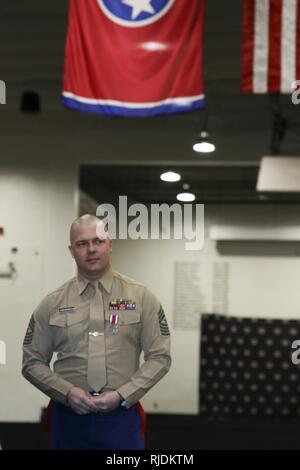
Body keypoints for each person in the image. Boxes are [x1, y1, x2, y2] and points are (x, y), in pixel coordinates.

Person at [22, 214, 171, 450]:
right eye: (82, 244)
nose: (91, 249)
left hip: (121, 416)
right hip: (68, 417)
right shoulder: (51, 304)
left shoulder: (141, 297)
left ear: (110, 245)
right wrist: (67, 392)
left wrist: (122, 394)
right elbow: (31, 362)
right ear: (71, 250)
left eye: (98, 241)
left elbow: (160, 357)